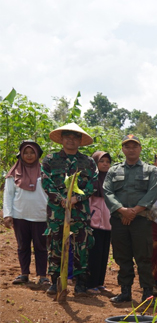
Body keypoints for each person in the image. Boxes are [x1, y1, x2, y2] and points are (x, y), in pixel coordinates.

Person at [103, 134, 157, 303]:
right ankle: (125, 292)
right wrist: (122, 211)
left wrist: (133, 211)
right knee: (122, 257)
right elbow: (107, 192)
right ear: (123, 149)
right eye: (127, 147)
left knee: (144, 257)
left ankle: (147, 293)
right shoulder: (114, 170)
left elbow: (152, 193)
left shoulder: (150, 171)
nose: (131, 149)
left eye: (134, 146)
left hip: (141, 220)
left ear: (140, 149)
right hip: (120, 220)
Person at [41, 123, 97, 296]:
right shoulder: (50, 159)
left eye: (75, 137)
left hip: (80, 212)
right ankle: (55, 280)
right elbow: (46, 181)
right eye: (67, 137)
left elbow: (93, 184)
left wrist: (76, 198)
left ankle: (80, 283)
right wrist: (61, 200)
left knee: (81, 245)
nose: (71, 140)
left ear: (80, 141)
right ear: (62, 139)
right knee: (55, 244)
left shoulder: (88, 162)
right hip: (57, 212)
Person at [4, 141, 49, 287]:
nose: (29, 156)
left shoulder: (45, 172)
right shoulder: (13, 174)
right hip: (20, 215)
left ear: (37, 154)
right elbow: (8, 195)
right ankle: (24, 274)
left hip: (41, 215)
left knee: (41, 247)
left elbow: (50, 194)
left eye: (32, 153)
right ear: (21, 155)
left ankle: (43, 275)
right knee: (22, 246)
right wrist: (8, 214)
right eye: (25, 153)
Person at [87, 151, 113, 295]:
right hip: (94, 222)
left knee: (104, 253)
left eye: (107, 162)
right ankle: (90, 283)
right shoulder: (91, 179)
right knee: (94, 254)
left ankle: (99, 283)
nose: (105, 164)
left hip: (107, 223)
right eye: (102, 161)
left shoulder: (110, 180)